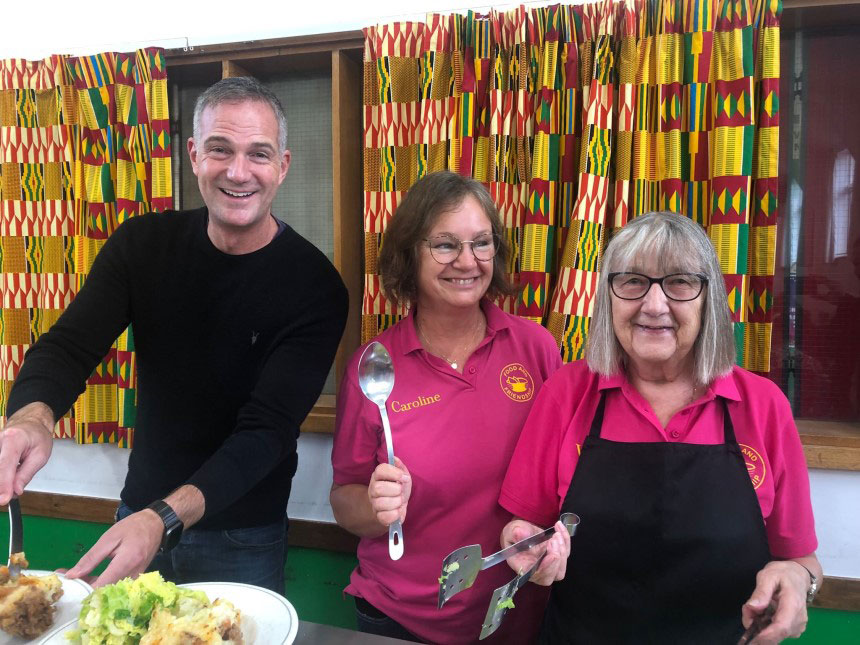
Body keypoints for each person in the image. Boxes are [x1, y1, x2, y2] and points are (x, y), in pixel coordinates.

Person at [0, 77, 348, 594]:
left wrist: (163, 517)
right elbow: (69, 347)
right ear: (192, 154)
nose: (238, 171)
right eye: (219, 149)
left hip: (243, 533)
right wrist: (32, 418)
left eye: (259, 154)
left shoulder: (315, 287)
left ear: (283, 165)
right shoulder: (143, 245)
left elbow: (266, 433)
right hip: (137, 510)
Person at [500, 211, 822, 644]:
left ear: (709, 298)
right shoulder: (567, 394)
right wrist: (523, 545)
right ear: (607, 297)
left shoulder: (764, 407)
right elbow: (523, 528)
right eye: (632, 281)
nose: (654, 305)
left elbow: (801, 559)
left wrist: (801, 580)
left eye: (680, 282)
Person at [330, 171, 567, 644]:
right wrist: (377, 507)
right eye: (445, 245)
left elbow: (564, 474)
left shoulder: (536, 349)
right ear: (409, 255)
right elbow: (344, 500)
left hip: (515, 616)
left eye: (481, 243)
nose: (467, 261)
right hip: (400, 621)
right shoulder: (375, 366)